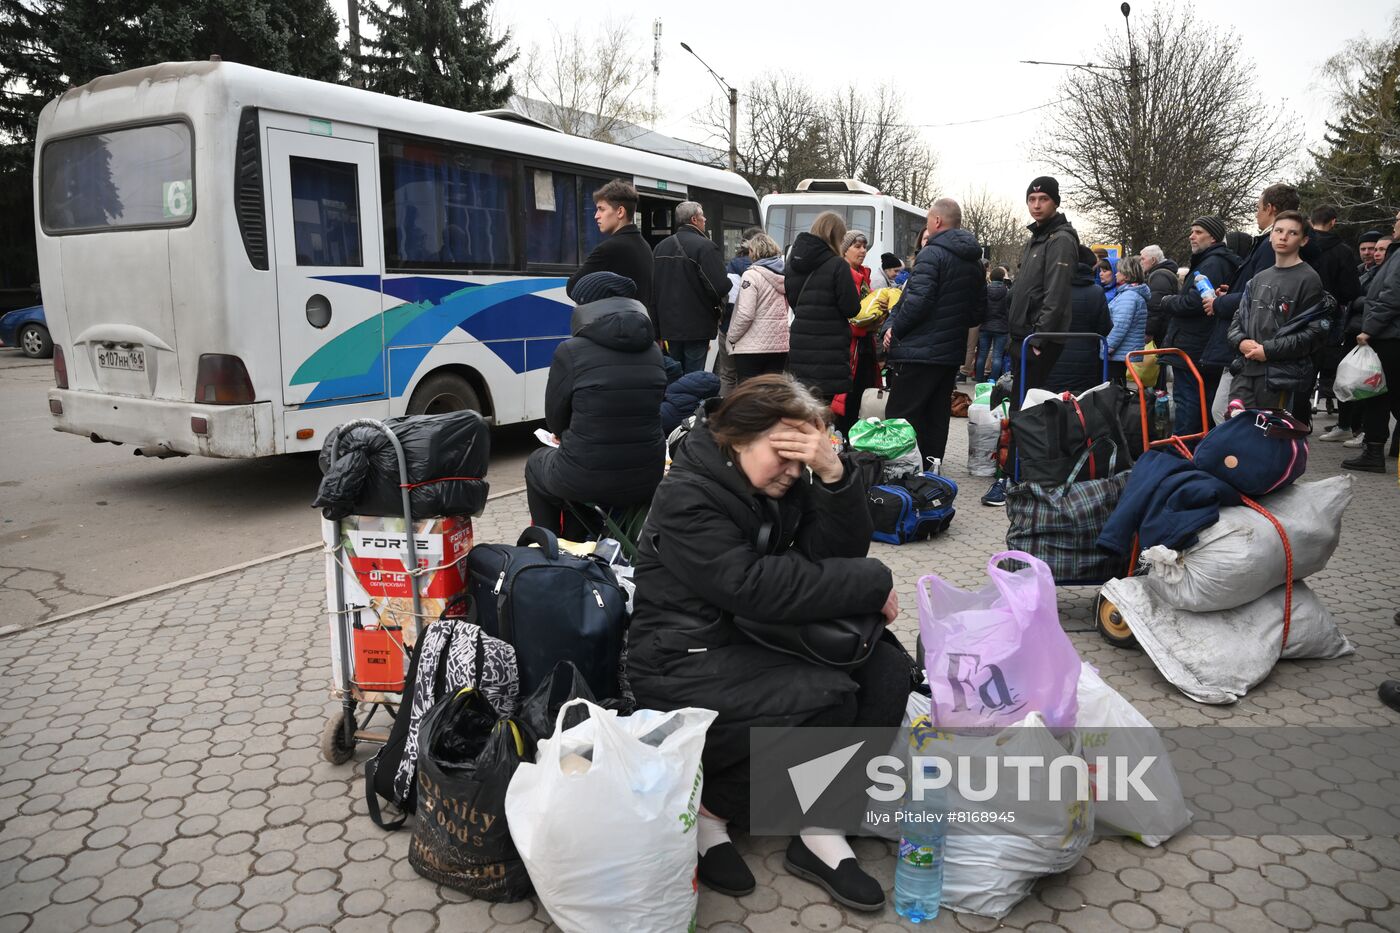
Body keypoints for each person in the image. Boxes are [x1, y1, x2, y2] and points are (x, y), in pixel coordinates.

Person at [627, 374, 910, 908]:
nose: (792, 470)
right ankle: (713, 812)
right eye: (784, 454)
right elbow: (751, 587)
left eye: (802, 458)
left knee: (886, 671)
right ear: (737, 439)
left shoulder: (776, 481)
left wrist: (834, 474)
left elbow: (836, 555)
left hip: (756, 638)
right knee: (828, 696)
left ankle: (820, 828)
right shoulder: (687, 495)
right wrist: (873, 584)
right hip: (682, 659)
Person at [525, 272, 667, 537]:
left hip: (587, 477)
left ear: (589, 306)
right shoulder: (654, 351)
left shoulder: (570, 351)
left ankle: (549, 549)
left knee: (537, 464)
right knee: (576, 472)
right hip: (647, 475)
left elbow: (555, 421)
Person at [988, 175, 1080, 507]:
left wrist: (1040, 335)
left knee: (1023, 410)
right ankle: (1018, 472)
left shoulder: (1060, 239)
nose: (1036, 204)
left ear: (1055, 201)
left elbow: (1055, 292)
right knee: (1021, 405)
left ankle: (1013, 478)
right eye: (1032, 199)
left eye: (1043, 199)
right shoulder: (1036, 238)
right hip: (1020, 335)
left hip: (1036, 338)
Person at [882, 198, 986, 464]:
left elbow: (918, 301)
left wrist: (896, 330)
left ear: (937, 221)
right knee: (936, 417)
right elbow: (977, 312)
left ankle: (899, 473)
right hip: (949, 353)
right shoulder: (974, 261)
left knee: (902, 414)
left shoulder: (932, 253)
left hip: (918, 351)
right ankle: (931, 472)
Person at [1202, 184, 1298, 423]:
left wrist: (1220, 304)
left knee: (1233, 414)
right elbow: (1255, 288)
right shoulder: (1266, 245)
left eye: (1258, 208)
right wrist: (1231, 293)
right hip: (1255, 344)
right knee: (1238, 413)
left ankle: (1243, 459)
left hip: (1256, 345)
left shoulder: (1271, 246)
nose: (1257, 214)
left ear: (1270, 208)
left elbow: (1261, 296)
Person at [1225, 211, 1327, 411]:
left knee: (1267, 433)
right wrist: (1240, 341)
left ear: (1304, 240)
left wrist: (1268, 350)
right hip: (1246, 370)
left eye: (1292, 233)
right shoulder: (1258, 278)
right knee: (1238, 428)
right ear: (1270, 235)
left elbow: (1314, 332)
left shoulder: (1308, 278)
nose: (1283, 237)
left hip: (1278, 375)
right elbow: (1238, 319)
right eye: (1278, 230)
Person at [1159, 216, 1240, 435]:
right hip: (1200, 344)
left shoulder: (1213, 262)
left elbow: (1197, 302)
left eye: (1198, 232)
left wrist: (1168, 301)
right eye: (1192, 231)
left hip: (1194, 344)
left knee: (1188, 401)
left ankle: (1184, 451)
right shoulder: (1211, 260)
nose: (1191, 236)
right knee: (1201, 400)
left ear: (1212, 237)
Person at [787, 212, 862, 433]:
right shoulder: (837, 264)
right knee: (824, 409)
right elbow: (852, 308)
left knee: (804, 404)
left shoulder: (794, 262)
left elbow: (792, 299)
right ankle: (822, 456)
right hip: (829, 348)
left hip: (801, 343)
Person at [1344, 211, 1400, 472]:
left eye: (1398, 219)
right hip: (1388, 334)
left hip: (1389, 336)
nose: (1394, 223)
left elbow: (1391, 297)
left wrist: (1369, 329)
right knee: (1380, 395)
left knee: (1379, 396)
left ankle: (1374, 452)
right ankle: (1374, 449)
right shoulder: (1395, 255)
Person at [653, 201, 730, 374]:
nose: (705, 219)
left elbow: (654, 292)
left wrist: (657, 329)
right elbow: (720, 287)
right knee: (694, 378)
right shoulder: (706, 247)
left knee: (674, 374)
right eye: (702, 216)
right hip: (697, 327)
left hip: (668, 328)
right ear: (694, 219)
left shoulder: (659, 248)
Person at [567, 180, 655, 330]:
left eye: (601, 209)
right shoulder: (645, 246)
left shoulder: (609, 248)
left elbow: (573, 288)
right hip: (641, 331)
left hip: (616, 332)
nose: (596, 216)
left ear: (620, 212)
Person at [1046, 245, 1112, 392]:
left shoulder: (1052, 288)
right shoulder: (1097, 292)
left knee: (1051, 403)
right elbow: (1105, 328)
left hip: (1053, 355)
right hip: (1086, 358)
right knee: (1081, 405)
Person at [727, 233, 789, 382]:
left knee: (750, 396)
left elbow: (745, 314)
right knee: (772, 395)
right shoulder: (785, 275)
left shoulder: (751, 275)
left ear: (755, 252)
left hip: (752, 348)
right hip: (779, 346)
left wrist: (731, 337)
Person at [1105, 254, 1150, 383]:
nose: (1116, 274)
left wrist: (1108, 347)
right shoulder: (1130, 294)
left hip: (1118, 351)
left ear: (1126, 275)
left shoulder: (1128, 296)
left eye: (1119, 271)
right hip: (1123, 349)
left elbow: (1120, 325)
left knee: (1114, 386)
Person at [974, 266, 1012, 381]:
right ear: (1002, 278)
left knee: (982, 355)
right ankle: (993, 380)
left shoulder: (985, 290)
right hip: (1001, 328)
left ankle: (979, 379)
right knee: (997, 356)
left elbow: (980, 306)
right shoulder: (1007, 291)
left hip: (985, 326)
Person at [1139, 244, 1179, 347]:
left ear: (1153, 260)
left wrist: (1149, 331)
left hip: (1163, 330)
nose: (1141, 262)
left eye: (1143, 259)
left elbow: (1156, 305)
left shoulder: (1159, 276)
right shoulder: (1162, 273)